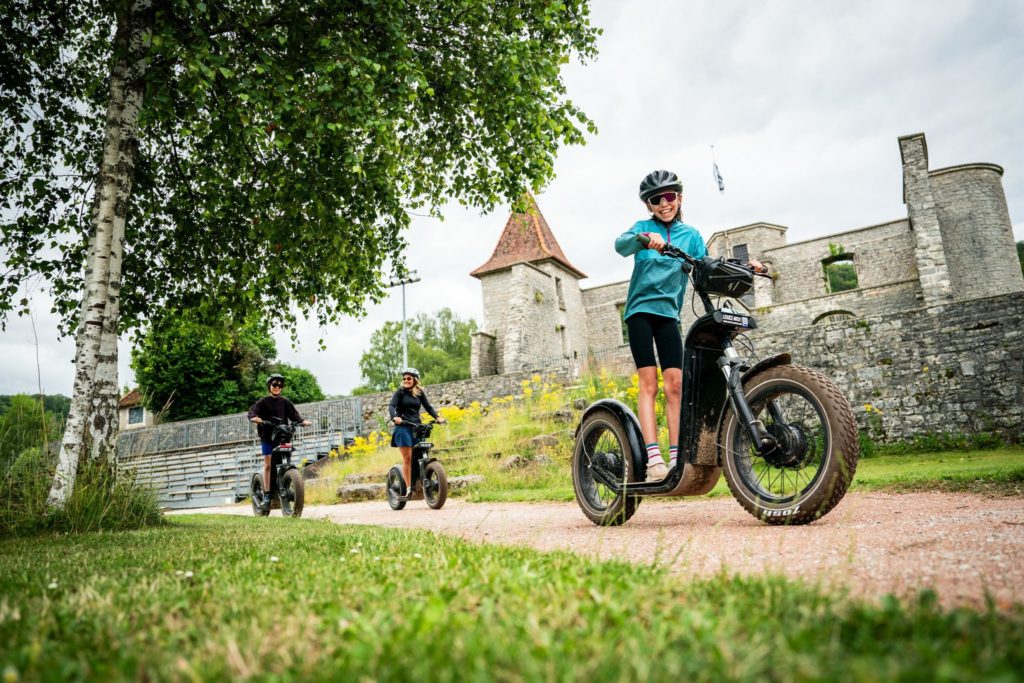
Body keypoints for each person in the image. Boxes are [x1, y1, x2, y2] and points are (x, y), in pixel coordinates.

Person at [615, 170, 763, 482]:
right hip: (640, 314)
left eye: (669, 196)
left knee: (676, 385)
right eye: (656, 199)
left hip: (669, 316)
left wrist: (744, 266)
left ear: (679, 198)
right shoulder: (642, 228)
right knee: (649, 383)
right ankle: (653, 461)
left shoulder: (691, 236)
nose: (664, 203)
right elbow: (621, 245)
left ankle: (676, 458)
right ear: (649, 205)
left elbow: (708, 267)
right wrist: (644, 240)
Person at [247, 373, 311, 505]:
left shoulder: (285, 402)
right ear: (269, 386)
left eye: (280, 385)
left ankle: (287, 482)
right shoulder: (263, 402)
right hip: (267, 437)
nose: (277, 387)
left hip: (282, 436)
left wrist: (302, 421)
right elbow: (252, 412)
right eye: (274, 384)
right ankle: (267, 494)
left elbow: (294, 415)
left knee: (286, 458)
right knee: (268, 464)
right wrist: (255, 418)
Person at [388, 367, 445, 495]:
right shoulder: (400, 392)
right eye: (404, 378)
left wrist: (437, 417)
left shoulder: (419, 392)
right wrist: (395, 417)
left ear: (415, 380)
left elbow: (428, 407)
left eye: (408, 378)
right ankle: (409, 488)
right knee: (407, 458)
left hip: (416, 427)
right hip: (403, 427)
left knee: (419, 455)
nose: (405, 380)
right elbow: (391, 406)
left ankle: (421, 481)